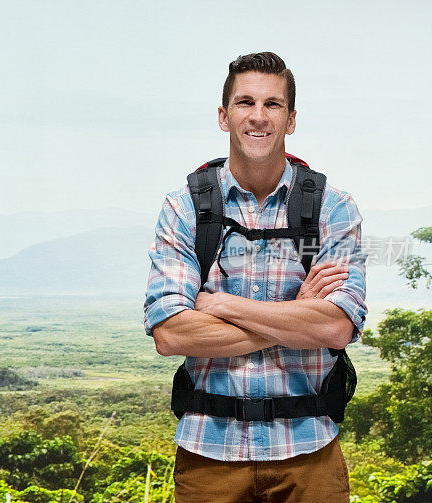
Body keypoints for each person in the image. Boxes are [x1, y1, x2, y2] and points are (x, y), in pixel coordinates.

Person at [143, 52, 367, 502]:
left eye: (273, 104)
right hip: (209, 454)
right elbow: (170, 334)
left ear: (292, 119)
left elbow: (337, 327)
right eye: (245, 102)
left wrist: (221, 305)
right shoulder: (187, 208)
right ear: (224, 116)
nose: (258, 116)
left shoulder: (331, 208)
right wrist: (296, 316)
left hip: (310, 452)